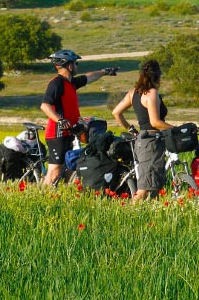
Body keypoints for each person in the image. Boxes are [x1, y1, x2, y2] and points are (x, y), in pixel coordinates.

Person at [40, 49, 118, 185]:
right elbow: (45, 105)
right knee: (55, 172)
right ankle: (40, 197)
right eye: (76, 63)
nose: (77, 66)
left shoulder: (71, 83)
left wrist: (105, 71)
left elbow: (89, 77)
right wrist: (59, 120)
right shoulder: (56, 83)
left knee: (68, 169)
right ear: (69, 66)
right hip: (57, 134)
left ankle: (58, 197)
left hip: (70, 131)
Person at [112, 59, 173, 202]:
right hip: (151, 142)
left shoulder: (133, 93)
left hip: (143, 140)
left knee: (152, 184)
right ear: (157, 76)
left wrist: (130, 129)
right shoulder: (151, 93)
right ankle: (130, 217)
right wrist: (176, 129)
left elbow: (116, 112)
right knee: (144, 188)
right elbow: (155, 122)